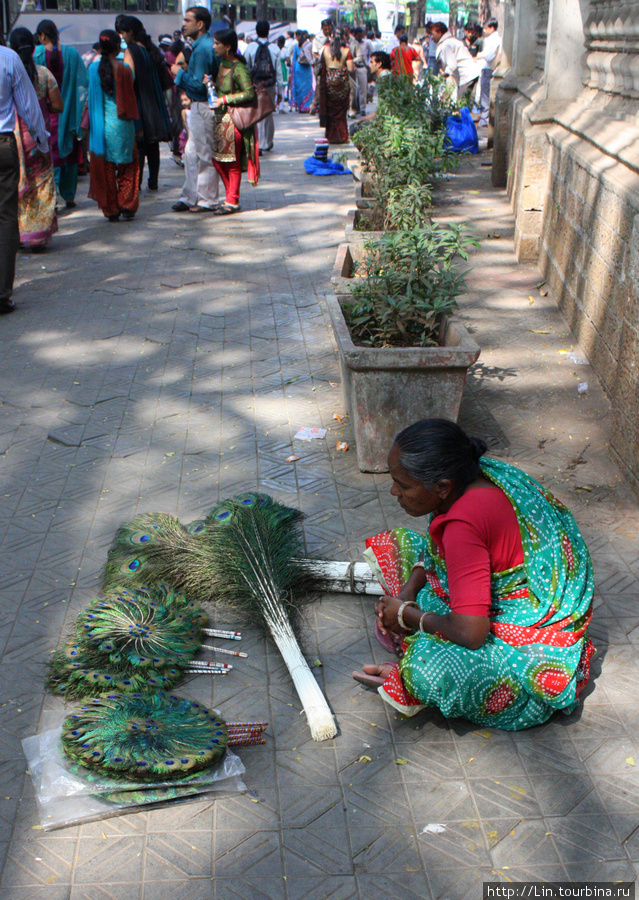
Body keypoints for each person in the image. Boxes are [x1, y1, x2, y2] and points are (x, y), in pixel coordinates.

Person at [352, 419, 596, 731]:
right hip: (519, 588)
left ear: (442, 487)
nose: (393, 491)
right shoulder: (477, 472)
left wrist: (410, 616)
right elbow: (434, 549)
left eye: (404, 485)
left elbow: (471, 633)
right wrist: (407, 595)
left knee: (423, 672)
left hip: (531, 632)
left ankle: (419, 665)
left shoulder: (462, 527)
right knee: (397, 547)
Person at [0, 42, 49, 313]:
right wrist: (42, 143)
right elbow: (29, 108)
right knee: (5, 216)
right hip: (3, 145)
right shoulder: (8, 58)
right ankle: (1, 293)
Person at [8, 28, 60, 251]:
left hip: (15, 139)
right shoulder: (44, 74)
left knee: (19, 184)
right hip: (38, 137)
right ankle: (38, 236)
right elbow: (58, 105)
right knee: (42, 184)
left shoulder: (9, 72)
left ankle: (20, 234)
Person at [34, 19, 87, 209]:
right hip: (70, 115)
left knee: (52, 158)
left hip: (48, 116)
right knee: (71, 157)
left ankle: (52, 196)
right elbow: (83, 82)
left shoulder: (37, 55)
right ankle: (69, 196)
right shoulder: (72, 54)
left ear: (42, 36)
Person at [171, 6, 219, 213]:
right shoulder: (204, 46)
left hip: (202, 105)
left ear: (199, 24)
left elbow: (199, 85)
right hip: (199, 105)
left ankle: (207, 199)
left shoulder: (201, 49)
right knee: (191, 153)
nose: (184, 24)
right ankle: (191, 195)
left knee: (203, 153)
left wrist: (179, 74)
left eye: (188, 20)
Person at [87, 30, 139, 222]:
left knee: (107, 169)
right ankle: (127, 204)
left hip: (103, 128)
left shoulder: (93, 69)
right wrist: (125, 48)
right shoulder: (125, 70)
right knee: (128, 165)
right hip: (123, 126)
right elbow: (132, 79)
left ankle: (111, 209)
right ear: (117, 47)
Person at [206, 28, 258, 215]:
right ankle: (230, 197)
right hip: (220, 120)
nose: (213, 47)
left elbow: (249, 93)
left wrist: (225, 99)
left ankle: (232, 200)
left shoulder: (239, 68)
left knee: (232, 162)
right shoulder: (222, 64)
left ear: (228, 46)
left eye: (216, 44)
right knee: (218, 161)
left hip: (233, 121)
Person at [117, 15, 171, 192]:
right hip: (154, 102)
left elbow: (128, 77)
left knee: (139, 145)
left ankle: (137, 183)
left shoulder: (131, 50)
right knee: (152, 145)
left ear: (130, 32)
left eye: (123, 33)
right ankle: (153, 181)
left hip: (139, 103)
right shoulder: (150, 49)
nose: (122, 37)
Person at [243, 21, 283, 154]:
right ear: (268, 31)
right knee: (268, 112)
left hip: (255, 85)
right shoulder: (275, 49)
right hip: (270, 86)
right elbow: (278, 72)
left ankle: (258, 142)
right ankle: (268, 142)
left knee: (256, 113)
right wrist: (280, 91)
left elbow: (245, 68)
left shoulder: (250, 48)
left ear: (256, 31)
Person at [318, 28, 354, 144]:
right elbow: (351, 69)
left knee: (330, 111)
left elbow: (320, 67)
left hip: (329, 86)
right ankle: (342, 135)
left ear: (331, 36)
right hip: (342, 87)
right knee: (341, 112)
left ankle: (330, 136)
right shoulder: (346, 51)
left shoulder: (324, 50)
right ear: (344, 37)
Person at [432, 21, 480, 101]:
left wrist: (444, 74)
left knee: (462, 106)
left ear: (439, 33)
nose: (431, 37)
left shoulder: (446, 45)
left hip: (467, 76)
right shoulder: (451, 41)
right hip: (471, 74)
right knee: (465, 106)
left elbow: (452, 65)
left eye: (433, 34)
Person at [349, 50, 391, 134]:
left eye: (371, 62)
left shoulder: (385, 80)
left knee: (354, 129)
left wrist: (364, 119)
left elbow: (382, 112)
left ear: (379, 64)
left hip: (387, 123)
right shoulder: (386, 77)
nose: (369, 65)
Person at [476, 18, 501, 127]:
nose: (485, 31)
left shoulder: (495, 39)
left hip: (488, 69)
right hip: (485, 68)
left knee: (485, 97)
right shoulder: (491, 39)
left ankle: (484, 120)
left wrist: (481, 55)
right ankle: (483, 118)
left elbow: (490, 56)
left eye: (486, 28)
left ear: (492, 28)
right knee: (483, 95)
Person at [309, 19, 332, 115]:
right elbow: (315, 53)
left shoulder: (334, 37)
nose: (327, 31)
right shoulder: (317, 39)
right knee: (320, 86)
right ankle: (314, 105)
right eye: (325, 29)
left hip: (332, 66)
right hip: (321, 66)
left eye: (329, 29)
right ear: (322, 28)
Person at [291, 30, 313, 113]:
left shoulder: (296, 45)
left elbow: (294, 58)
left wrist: (292, 71)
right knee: (307, 86)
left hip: (298, 67)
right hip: (306, 68)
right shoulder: (308, 44)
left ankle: (300, 106)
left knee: (299, 87)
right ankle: (306, 106)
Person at [348, 27, 368, 118]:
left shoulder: (366, 43)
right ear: (355, 35)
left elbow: (371, 53)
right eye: (358, 35)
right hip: (352, 68)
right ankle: (354, 107)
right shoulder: (351, 43)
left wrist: (368, 64)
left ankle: (362, 108)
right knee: (353, 89)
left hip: (362, 67)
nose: (360, 37)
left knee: (363, 89)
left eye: (362, 35)